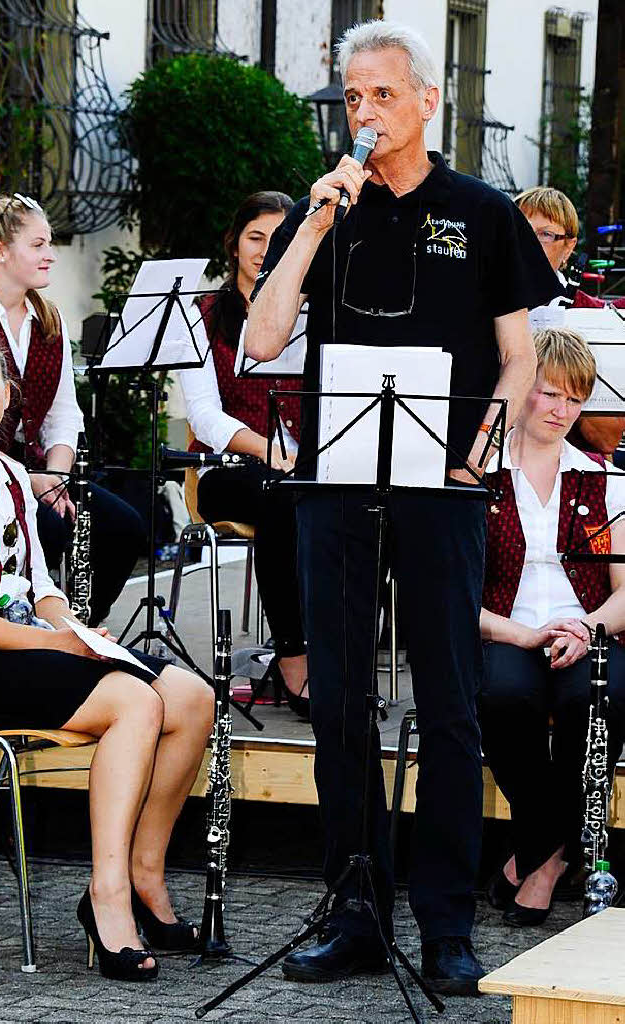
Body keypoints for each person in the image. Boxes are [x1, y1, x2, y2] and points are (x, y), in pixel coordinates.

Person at [245, 19, 561, 994]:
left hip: (441, 488)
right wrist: (308, 225)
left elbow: (517, 357)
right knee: (339, 699)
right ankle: (350, 907)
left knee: (448, 705)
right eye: (351, 97)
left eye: (382, 94)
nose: (365, 112)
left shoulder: (479, 211)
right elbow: (261, 342)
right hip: (338, 487)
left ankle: (443, 924)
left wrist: (476, 456)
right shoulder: (325, 209)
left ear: (427, 101)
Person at [0, 331, 214, 981]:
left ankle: (144, 875)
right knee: (135, 702)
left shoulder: (6, 475)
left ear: (7, 394)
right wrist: (53, 643)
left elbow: (37, 588)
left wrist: (77, 630)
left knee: (192, 698)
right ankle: (105, 897)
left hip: (17, 653)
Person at [0, 194, 146, 626]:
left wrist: (55, 478)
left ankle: (81, 629)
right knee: (50, 530)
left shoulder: (48, 318)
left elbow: (63, 414)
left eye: (49, 244)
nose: (50, 256)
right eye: (38, 246)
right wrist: (29, 482)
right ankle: (33, 633)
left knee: (124, 526)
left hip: (39, 471)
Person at [480, 327, 625, 926]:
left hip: (587, 629)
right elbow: (446, 594)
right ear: (519, 391)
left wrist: (586, 627)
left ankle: (537, 861)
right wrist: (517, 634)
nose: (562, 409)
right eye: (548, 393)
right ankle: (553, 848)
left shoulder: (604, 478)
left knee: (604, 697)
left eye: (575, 397)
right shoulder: (476, 473)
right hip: (501, 629)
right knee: (505, 693)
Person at [178, 191, 308, 717]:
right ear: (235, 244)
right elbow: (205, 418)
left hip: (302, 468)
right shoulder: (203, 315)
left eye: (280, 239)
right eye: (256, 237)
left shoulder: (311, 311)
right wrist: (270, 449)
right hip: (224, 470)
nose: (265, 249)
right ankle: (296, 661)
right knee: (282, 497)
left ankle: (339, 653)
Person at [515, 186, 625, 460]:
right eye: (522, 231)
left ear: (569, 247)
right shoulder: (483, 306)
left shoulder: (594, 316)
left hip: (573, 467)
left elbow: (607, 438)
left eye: (546, 235)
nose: (531, 244)